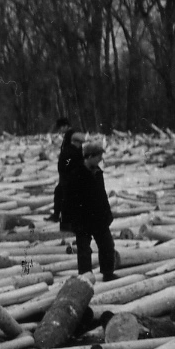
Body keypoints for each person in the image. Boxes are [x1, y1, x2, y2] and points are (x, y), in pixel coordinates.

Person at [64, 141, 116, 281]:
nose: (101, 159)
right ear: (90, 156)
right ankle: (85, 278)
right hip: (83, 220)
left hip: (99, 218)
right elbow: (69, 200)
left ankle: (108, 273)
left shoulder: (97, 172)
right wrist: (73, 221)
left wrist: (107, 215)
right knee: (84, 251)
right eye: (98, 156)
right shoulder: (76, 174)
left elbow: (102, 195)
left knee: (107, 245)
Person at [49, 120, 83, 228]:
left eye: (60, 128)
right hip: (69, 173)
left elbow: (69, 160)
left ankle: (62, 218)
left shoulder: (71, 143)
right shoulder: (73, 147)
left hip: (68, 175)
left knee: (64, 195)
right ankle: (59, 216)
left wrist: (66, 166)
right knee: (61, 193)